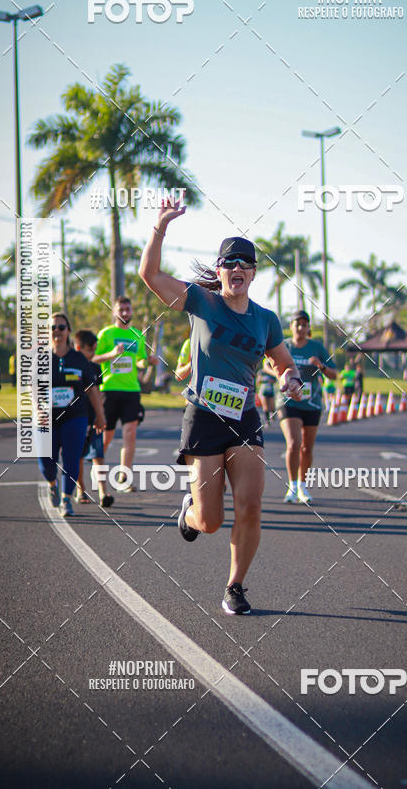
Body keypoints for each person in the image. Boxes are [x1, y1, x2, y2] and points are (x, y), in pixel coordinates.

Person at [139, 200, 302, 615]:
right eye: (230, 262)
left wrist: (290, 378)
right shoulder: (202, 302)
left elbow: (284, 362)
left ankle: (235, 586)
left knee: (250, 504)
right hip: (204, 417)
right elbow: (150, 276)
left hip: (244, 418)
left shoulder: (266, 319)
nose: (237, 268)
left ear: (253, 273)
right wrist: (160, 226)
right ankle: (188, 515)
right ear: (220, 269)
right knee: (210, 521)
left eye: (245, 263)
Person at [38, 312, 105, 517]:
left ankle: (67, 498)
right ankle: (52, 483)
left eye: (61, 327)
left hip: (75, 417)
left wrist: (100, 416)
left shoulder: (79, 359)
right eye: (52, 327)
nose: (56, 331)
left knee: (71, 459)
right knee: (46, 461)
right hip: (48, 419)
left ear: (68, 331)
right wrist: (37, 409)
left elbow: (92, 389)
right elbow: (33, 389)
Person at [271, 310, 336, 505]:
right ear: (291, 326)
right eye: (297, 324)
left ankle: (302, 486)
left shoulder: (317, 347)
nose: (300, 328)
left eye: (304, 325)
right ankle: (292, 487)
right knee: (293, 443)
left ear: (308, 328)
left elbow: (334, 375)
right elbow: (267, 364)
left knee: (307, 448)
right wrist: (280, 376)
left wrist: (321, 366)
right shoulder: (284, 345)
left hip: (312, 403)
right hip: (288, 401)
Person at [93, 297, 154, 492]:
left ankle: (124, 478)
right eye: (121, 309)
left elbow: (140, 360)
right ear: (114, 311)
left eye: (128, 309)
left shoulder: (137, 335)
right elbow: (93, 358)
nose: (125, 313)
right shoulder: (106, 334)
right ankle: (98, 471)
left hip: (131, 390)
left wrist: (148, 361)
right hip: (109, 389)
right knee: (106, 436)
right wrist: (112, 354)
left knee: (130, 433)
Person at [74, 330, 114, 508]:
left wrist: (100, 415)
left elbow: (98, 392)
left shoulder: (95, 368)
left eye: (94, 350)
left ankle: (103, 492)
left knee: (98, 454)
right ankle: (80, 490)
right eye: (89, 350)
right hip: (76, 418)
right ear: (78, 347)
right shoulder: (71, 366)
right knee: (78, 456)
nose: (93, 354)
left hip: (94, 419)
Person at [257, 360, 276, 425]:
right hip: (263, 391)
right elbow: (258, 382)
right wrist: (263, 380)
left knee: (272, 406)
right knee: (265, 407)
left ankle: (273, 416)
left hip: (271, 390)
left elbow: (275, 381)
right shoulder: (261, 372)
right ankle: (267, 421)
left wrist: (271, 381)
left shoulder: (272, 372)